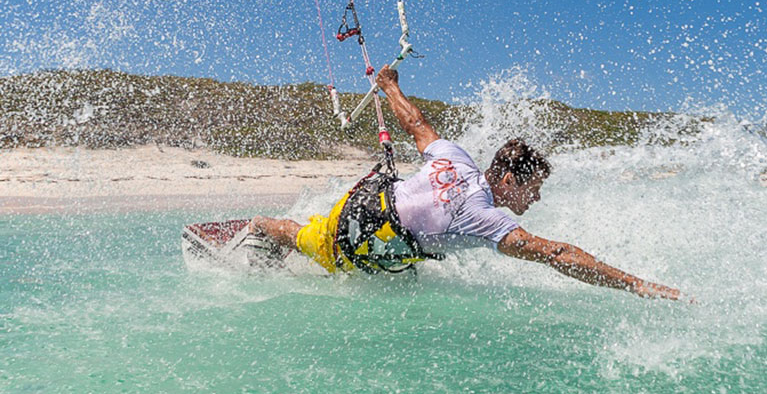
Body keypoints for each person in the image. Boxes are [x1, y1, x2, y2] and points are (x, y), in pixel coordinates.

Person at [249, 66, 682, 300]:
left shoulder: (456, 156)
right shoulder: (481, 215)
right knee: (308, 239)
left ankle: (291, 232)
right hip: (354, 236)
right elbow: (555, 253)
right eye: (533, 189)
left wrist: (389, 86)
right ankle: (258, 227)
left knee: (388, 258)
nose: (537, 197)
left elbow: (415, 123)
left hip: (363, 200)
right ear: (510, 179)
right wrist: (635, 284)